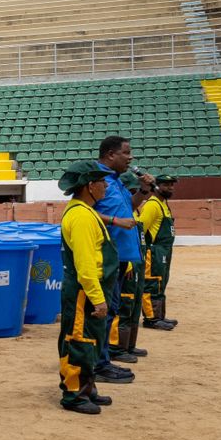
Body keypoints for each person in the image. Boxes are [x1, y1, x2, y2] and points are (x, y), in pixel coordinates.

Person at [57, 161, 120, 414]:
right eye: (101, 182)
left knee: (91, 341)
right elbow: (85, 264)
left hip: (89, 291)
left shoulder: (86, 211)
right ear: (89, 186)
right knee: (79, 341)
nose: (105, 186)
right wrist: (98, 298)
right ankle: (74, 394)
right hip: (85, 293)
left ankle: (87, 388)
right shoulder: (81, 216)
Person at [92, 136, 153, 381]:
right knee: (103, 312)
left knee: (112, 310)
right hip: (105, 258)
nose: (131, 158)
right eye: (126, 153)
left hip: (120, 258)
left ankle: (104, 359)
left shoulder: (116, 181)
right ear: (110, 155)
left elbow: (131, 206)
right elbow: (84, 210)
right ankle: (97, 364)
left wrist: (144, 190)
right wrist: (116, 221)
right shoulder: (95, 180)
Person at [114, 172, 151, 358]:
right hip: (127, 266)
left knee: (135, 305)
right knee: (124, 306)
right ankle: (117, 347)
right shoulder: (123, 212)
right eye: (134, 191)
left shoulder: (137, 212)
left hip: (137, 265)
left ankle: (129, 344)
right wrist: (127, 263)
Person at [140, 174, 178, 331]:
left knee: (161, 282)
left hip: (164, 250)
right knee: (152, 283)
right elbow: (141, 229)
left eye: (171, 184)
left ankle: (159, 316)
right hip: (154, 251)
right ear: (156, 186)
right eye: (166, 185)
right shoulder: (152, 205)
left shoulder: (163, 204)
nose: (170, 187)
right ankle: (151, 318)